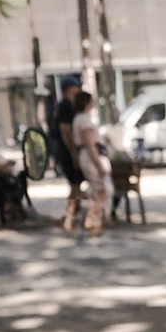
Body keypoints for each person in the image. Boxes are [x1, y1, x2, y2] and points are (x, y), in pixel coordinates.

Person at [64, 91, 111, 234]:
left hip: (85, 155)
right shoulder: (84, 120)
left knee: (97, 190)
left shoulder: (79, 119)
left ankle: (91, 218)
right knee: (102, 190)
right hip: (90, 156)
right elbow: (90, 144)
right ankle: (91, 219)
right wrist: (99, 164)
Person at [52, 78, 86, 222]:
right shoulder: (65, 105)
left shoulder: (68, 105)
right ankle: (70, 215)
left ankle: (74, 212)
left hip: (69, 150)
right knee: (74, 185)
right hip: (67, 151)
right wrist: (73, 153)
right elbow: (65, 130)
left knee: (77, 184)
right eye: (76, 88)